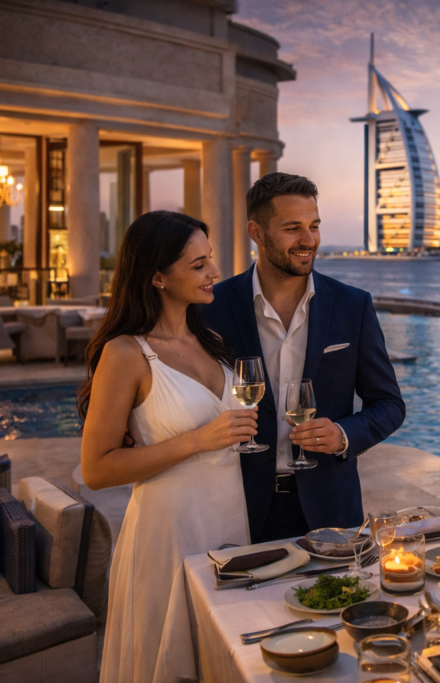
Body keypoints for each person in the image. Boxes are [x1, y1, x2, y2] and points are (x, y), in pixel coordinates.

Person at [80, 211, 259, 683]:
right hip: (170, 531)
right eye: (199, 265)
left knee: (227, 660)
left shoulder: (213, 341)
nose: (214, 274)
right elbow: (96, 470)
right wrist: (198, 440)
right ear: (158, 276)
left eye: (211, 261)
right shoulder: (126, 353)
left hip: (230, 522)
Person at [202, 172, 406, 543]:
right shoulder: (212, 307)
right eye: (293, 228)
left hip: (331, 507)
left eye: (314, 226)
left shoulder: (352, 305)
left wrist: (344, 434)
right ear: (257, 232)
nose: (308, 240)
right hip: (236, 506)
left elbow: (389, 404)